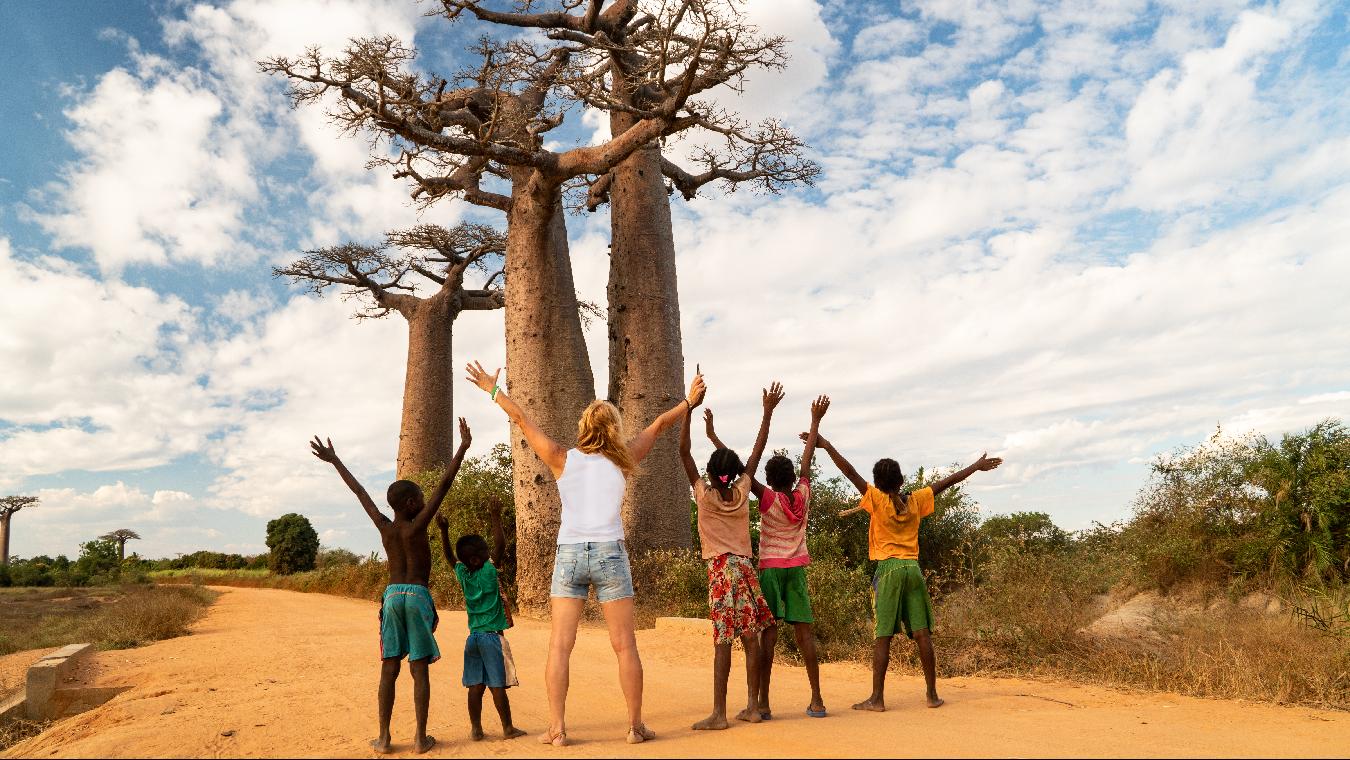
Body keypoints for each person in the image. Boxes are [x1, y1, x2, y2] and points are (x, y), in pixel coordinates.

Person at [464, 359, 706, 746]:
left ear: (584, 428)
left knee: (560, 645)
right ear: (614, 428)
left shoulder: (562, 457)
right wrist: (689, 401)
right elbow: (660, 425)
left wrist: (493, 390)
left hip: (570, 554)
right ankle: (634, 727)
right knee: (625, 645)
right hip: (610, 552)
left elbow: (522, 420)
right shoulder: (623, 459)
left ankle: (557, 729)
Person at [309, 417, 473, 754]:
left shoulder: (385, 528)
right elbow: (444, 485)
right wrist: (462, 448)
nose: (426, 499)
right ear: (413, 504)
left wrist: (335, 460)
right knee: (418, 669)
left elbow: (360, 493)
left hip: (392, 595)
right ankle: (419, 739)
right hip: (417, 595)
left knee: (389, 668)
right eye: (421, 497)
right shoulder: (417, 526)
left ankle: (383, 739)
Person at [813, 431, 1002, 710]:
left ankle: (877, 699)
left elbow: (848, 470)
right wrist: (975, 466)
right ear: (901, 480)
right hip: (912, 569)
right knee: (922, 633)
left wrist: (826, 444)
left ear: (877, 483)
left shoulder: (875, 499)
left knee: (883, 635)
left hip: (888, 569)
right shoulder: (916, 500)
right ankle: (932, 695)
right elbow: (947, 482)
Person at [707, 394, 831, 720]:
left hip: (771, 571)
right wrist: (815, 420)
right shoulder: (802, 494)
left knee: (768, 638)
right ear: (792, 479)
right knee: (805, 636)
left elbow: (738, 469)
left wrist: (714, 439)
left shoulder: (766, 498)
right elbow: (806, 462)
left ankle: (761, 704)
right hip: (797, 570)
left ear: (770, 479)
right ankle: (816, 699)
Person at [680, 382, 781, 730]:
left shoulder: (705, 496)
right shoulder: (741, 490)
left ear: (710, 474)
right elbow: (758, 448)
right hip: (746, 568)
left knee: (723, 639)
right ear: (735, 474)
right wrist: (767, 411)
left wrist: (689, 409)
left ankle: (720, 713)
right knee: (750, 635)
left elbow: (683, 452)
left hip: (723, 571)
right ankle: (752, 706)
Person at [435, 496, 526, 742]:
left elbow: (449, 558)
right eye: (485, 553)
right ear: (477, 559)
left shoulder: (464, 574)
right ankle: (508, 728)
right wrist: (495, 516)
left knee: (475, 685)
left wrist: (444, 531)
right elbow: (500, 546)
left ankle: (476, 729)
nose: (490, 555)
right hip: (492, 638)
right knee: (497, 684)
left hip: (473, 638)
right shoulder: (486, 571)